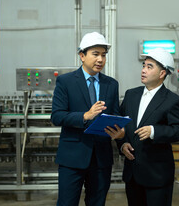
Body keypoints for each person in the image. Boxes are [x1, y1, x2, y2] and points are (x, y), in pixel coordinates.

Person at [51, 32, 124, 206]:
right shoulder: (66, 82)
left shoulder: (111, 84)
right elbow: (57, 115)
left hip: (101, 159)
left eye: (104, 55)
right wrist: (85, 116)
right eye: (95, 54)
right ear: (82, 56)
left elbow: (115, 115)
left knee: (97, 203)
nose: (100, 59)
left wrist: (119, 131)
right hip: (72, 158)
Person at [114, 48, 179, 206]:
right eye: (144, 66)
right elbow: (120, 124)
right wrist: (122, 144)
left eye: (149, 67)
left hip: (157, 175)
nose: (144, 70)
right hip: (132, 173)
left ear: (162, 74)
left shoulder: (172, 100)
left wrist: (154, 131)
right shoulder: (131, 95)